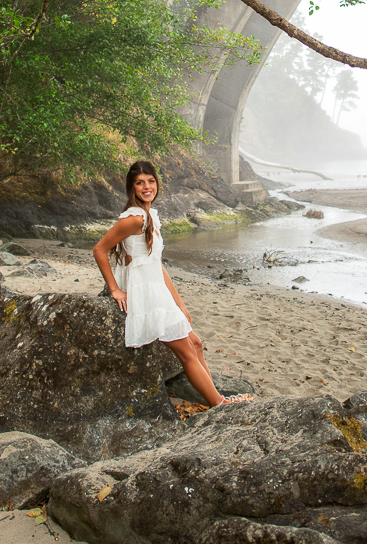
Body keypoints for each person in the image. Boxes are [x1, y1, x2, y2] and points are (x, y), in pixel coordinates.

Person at [93, 160, 253, 408]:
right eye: (140, 183)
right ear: (132, 187)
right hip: (146, 294)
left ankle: (215, 398)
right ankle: (219, 404)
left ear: (157, 183)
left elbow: (157, 265)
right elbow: (99, 249)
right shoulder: (135, 218)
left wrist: (180, 305)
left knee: (197, 343)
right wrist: (115, 289)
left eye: (151, 181)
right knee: (187, 353)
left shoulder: (150, 216)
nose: (147, 187)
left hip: (159, 291)